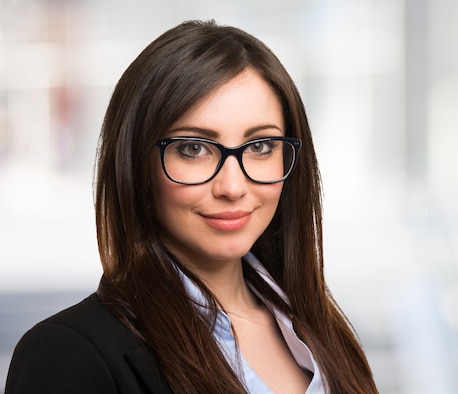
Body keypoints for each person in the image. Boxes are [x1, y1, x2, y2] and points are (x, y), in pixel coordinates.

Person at [5, 20, 378, 393]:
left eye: (260, 146)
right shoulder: (67, 354)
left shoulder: (326, 332)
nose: (232, 186)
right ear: (137, 165)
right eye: (194, 148)